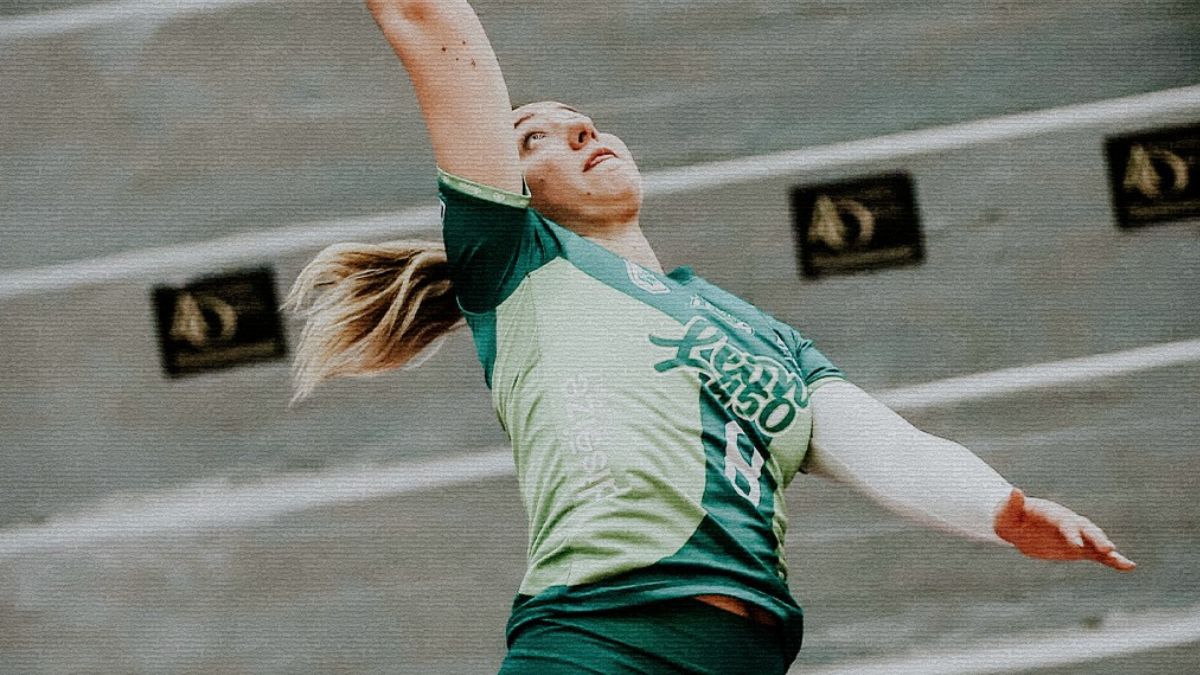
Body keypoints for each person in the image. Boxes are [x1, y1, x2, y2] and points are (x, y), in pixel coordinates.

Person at [284, 1, 1136, 672]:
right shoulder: (516, 266)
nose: (580, 130)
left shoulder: (767, 335)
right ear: (513, 193)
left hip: (745, 658)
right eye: (533, 136)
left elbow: (888, 448)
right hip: (598, 641)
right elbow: (428, 23)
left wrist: (1005, 511)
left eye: (585, 119)